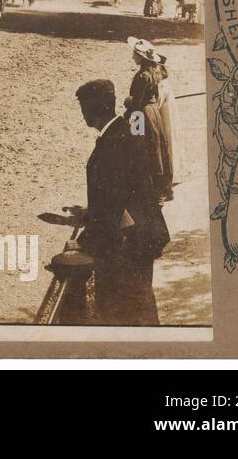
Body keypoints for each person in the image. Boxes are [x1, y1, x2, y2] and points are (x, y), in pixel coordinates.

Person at [70, 79, 169, 325]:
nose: (83, 114)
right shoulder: (122, 132)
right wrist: (89, 213)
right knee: (141, 306)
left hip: (127, 247)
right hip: (139, 239)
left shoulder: (114, 143)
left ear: (96, 109)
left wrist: (84, 242)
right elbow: (121, 196)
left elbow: (114, 207)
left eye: (84, 108)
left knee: (126, 310)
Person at [124, 37, 177, 202]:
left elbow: (137, 102)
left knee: (140, 147)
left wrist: (127, 106)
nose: (133, 56)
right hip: (153, 114)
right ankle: (163, 187)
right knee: (158, 146)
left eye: (135, 53)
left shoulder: (141, 76)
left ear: (141, 57)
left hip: (141, 114)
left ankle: (146, 189)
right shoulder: (155, 72)